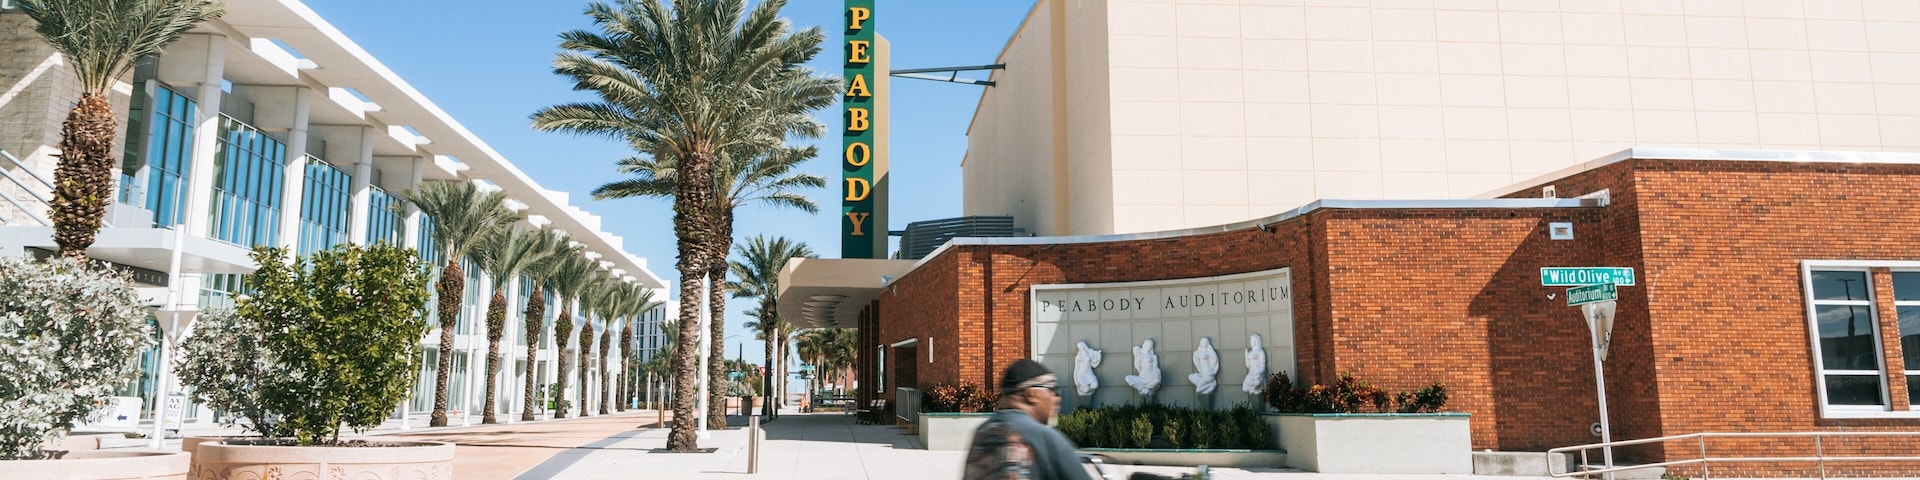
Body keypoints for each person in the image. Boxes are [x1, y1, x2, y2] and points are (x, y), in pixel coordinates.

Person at [962, 359, 1093, 480]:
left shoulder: (982, 432)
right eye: (1053, 391)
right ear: (1032, 394)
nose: (1057, 399)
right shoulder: (1045, 438)